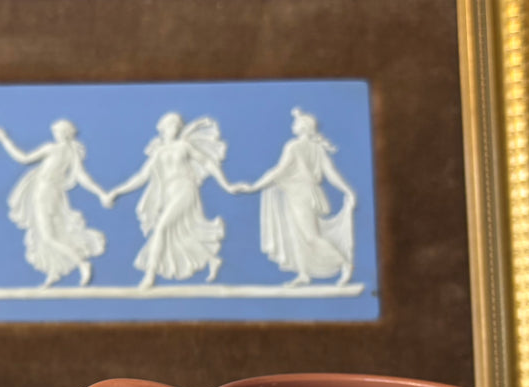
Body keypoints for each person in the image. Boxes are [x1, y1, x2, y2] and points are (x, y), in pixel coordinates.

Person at [105, 112, 238, 288]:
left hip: (185, 188)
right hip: (168, 194)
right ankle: (212, 260)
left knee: (161, 228)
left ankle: (150, 275)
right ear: (162, 128)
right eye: (170, 125)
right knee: (179, 234)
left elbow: (208, 163)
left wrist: (226, 184)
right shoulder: (158, 152)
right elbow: (141, 177)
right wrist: (116, 191)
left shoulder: (184, 146)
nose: (173, 129)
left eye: (176, 126)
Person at [241, 107, 356, 286]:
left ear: (303, 128)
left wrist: (255, 186)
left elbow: (279, 170)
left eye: (295, 123)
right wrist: (347, 190)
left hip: (300, 193)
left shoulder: (293, 146)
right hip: (304, 193)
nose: (292, 126)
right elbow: (331, 174)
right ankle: (303, 274)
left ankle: (344, 263)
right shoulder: (318, 148)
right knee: (296, 234)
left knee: (310, 237)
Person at [0, 120, 113, 287]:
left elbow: (23, 158)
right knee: (48, 234)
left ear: (64, 133)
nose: (55, 134)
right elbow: (82, 177)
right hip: (50, 194)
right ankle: (54, 271)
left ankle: (82, 264)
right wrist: (101, 193)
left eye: (57, 131)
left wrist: (5, 140)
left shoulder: (53, 149)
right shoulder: (71, 153)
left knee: (48, 236)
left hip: (45, 194)